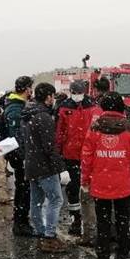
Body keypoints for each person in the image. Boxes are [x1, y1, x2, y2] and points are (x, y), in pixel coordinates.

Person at [81, 92, 130, 259]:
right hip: (123, 184)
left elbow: (87, 157)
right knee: (123, 220)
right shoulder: (129, 128)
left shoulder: (95, 128)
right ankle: (123, 253)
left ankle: (102, 256)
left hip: (100, 183)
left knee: (103, 221)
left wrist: (85, 180)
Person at [21, 83, 67, 252]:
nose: (53, 99)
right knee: (56, 200)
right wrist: (61, 168)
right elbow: (50, 147)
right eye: (52, 96)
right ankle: (49, 236)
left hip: (32, 164)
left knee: (36, 201)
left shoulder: (27, 115)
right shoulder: (44, 117)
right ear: (48, 97)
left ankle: (41, 232)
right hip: (44, 166)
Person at [56, 80, 97, 239]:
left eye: (80, 92)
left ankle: (90, 219)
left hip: (89, 153)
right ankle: (75, 218)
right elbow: (60, 131)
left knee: (89, 186)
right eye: (75, 92)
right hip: (71, 153)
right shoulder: (64, 107)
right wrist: (59, 152)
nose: (77, 96)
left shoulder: (92, 106)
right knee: (74, 186)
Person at [0, 76, 36, 237]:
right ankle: (20, 222)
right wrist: (23, 156)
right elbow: (17, 136)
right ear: (27, 89)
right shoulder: (15, 108)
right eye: (30, 87)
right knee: (23, 187)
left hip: (18, 154)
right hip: (18, 155)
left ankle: (21, 219)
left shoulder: (17, 105)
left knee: (23, 187)